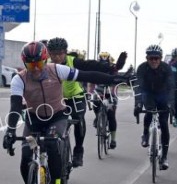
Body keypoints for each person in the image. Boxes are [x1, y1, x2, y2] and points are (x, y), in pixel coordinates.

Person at [2, 41, 129, 184]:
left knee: (52, 142)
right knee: (26, 155)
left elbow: (87, 75)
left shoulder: (56, 70)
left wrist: (113, 79)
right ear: (25, 64)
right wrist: (10, 131)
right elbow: (15, 106)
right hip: (34, 120)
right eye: (31, 65)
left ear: (45, 61)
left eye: (39, 63)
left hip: (57, 116)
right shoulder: (19, 79)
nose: (36, 69)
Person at [46, 37, 125, 167]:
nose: (56, 57)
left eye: (59, 53)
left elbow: (92, 65)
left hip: (75, 97)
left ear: (65, 52)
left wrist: (111, 67)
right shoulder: (47, 64)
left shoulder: (73, 61)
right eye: (53, 54)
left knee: (78, 119)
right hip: (56, 99)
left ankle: (78, 150)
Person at [133, 44, 174, 170]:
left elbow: (172, 87)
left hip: (163, 94)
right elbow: (137, 87)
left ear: (160, 58)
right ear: (147, 58)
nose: (154, 61)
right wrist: (138, 103)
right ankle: (145, 133)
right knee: (149, 112)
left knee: (164, 123)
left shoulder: (166, 68)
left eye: (157, 58)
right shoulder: (141, 68)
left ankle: (164, 157)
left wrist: (171, 103)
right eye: (151, 58)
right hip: (148, 93)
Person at [90, 50, 130, 149]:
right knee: (95, 101)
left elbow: (115, 81)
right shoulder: (96, 68)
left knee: (111, 115)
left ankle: (113, 139)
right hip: (99, 90)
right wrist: (90, 93)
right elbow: (91, 83)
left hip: (111, 90)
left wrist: (111, 94)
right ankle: (97, 116)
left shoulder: (113, 68)